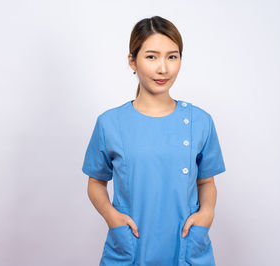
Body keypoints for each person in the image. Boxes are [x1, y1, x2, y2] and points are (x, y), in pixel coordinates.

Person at [81, 16, 226, 266]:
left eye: (172, 56)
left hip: (186, 247)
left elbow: (207, 182)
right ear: (132, 60)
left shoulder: (200, 121)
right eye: (151, 57)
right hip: (131, 247)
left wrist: (207, 213)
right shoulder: (110, 123)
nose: (163, 69)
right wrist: (112, 217)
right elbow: (95, 182)